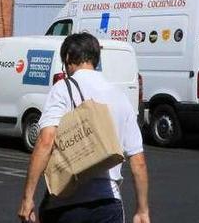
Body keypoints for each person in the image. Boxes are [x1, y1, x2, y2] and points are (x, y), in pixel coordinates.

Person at [17, 33, 150, 223]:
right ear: (95, 59)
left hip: (66, 203)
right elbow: (138, 161)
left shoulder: (63, 89)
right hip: (109, 203)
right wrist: (142, 209)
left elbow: (46, 141)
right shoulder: (120, 97)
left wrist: (27, 198)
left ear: (69, 58)